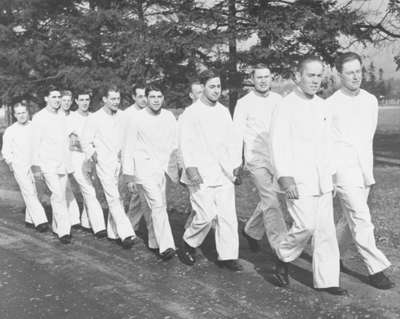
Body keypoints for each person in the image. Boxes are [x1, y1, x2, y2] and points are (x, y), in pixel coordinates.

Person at [271, 56, 347, 295]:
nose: (316, 80)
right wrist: (285, 177)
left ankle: (328, 280)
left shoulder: (323, 106)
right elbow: (278, 144)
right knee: (305, 225)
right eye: (310, 75)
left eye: (319, 76)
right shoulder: (285, 105)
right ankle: (282, 258)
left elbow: (328, 144)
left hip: (322, 179)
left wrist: (332, 175)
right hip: (297, 180)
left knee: (325, 231)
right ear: (298, 76)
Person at [329, 52, 394, 290]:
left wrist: (367, 170)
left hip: (364, 168)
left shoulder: (370, 100)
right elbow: (328, 143)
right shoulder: (331, 104)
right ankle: (375, 269)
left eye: (358, 71)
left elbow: (367, 137)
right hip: (343, 170)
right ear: (339, 74)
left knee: (348, 220)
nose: (356, 76)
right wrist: (333, 174)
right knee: (361, 218)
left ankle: (330, 256)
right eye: (350, 72)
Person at [179, 69, 243, 271]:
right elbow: (184, 143)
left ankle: (228, 255)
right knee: (205, 215)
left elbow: (232, 141)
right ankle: (188, 243)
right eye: (212, 86)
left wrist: (235, 166)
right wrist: (190, 168)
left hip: (223, 172)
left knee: (227, 216)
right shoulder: (191, 113)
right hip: (200, 173)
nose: (217, 90)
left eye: (219, 86)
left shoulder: (223, 111)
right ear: (203, 88)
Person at [233, 63, 287, 253]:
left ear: (271, 78)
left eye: (266, 77)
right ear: (252, 80)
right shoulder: (244, 103)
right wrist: (236, 162)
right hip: (256, 160)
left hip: (277, 158)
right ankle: (281, 248)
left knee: (269, 198)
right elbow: (236, 134)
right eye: (259, 77)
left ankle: (251, 230)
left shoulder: (279, 100)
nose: (263, 81)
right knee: (271, 200)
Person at [123, 85, 179, 261]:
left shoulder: (169, 116)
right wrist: (129, 175)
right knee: (157, 204)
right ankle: (167, 246)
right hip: (143, 168)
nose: (156, 100)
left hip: (163, 169)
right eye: (152, 96)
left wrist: (178, 166)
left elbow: (175, 142)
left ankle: (154, 241)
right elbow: (128, 147)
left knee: (152, 206)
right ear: (146, 98)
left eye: (159, 96)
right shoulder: (137, 118)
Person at [81, 85, 136, 249]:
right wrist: (94, 154)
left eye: (118, 99)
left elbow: (129, 137)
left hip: (122, 162)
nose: (116, 102)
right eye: (112, 99)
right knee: (112, 197)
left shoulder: (124, 116)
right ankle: (127, 233)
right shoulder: (94, 118)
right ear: (104, 99)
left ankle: (113, 232)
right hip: (104, 162)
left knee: (120, 197)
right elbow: (85, 141)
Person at [31, 86, 73, 244]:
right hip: (47, 163)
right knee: (58, 195)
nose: (57, 100)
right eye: (54, 97)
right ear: (46, 99)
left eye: (58, 97)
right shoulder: (38, 117)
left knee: (60, 195)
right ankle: (64, 231)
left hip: (62, 163)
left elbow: (65, 141)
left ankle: (57, 226)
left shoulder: (62, 116)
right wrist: (36, 167)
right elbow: (34, 144)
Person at [2, 102, 49, 232]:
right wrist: (11, 163)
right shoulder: (10, 131)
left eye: (23, 112)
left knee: (38, 191)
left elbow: (42, 145)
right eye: (18, 113)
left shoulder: (35, 127)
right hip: (20, 166)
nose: (21, 115)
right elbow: (6, 151)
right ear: (14, 115)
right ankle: (41, 221)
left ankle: (30, 219)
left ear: (28, 113)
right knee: (28, 191)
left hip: (36, 164)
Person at [67, 90, 107, 238]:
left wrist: (92, 147)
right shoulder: (71, 118)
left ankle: (85, 221)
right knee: (89, 190)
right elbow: (73, 143)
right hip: (77, 159)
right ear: (76, 101)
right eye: (81, 100)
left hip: (93, 159)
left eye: (87, 100)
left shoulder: (93, 117)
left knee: (91, 190)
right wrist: (88, 145)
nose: (84, 103)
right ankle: (99, 227)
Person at [122, 83, 150, 233]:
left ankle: (143, 226)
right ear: (133, 97)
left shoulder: (150, 112)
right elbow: (124, 141)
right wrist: (128, 170)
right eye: (140, 96)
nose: (144, 99)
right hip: (132, 160)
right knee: (136, 197)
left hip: (149, 162)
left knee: (146, 197)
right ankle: (129, 228)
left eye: (146, 96)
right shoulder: (127, 114)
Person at [179, 81, 204, 228]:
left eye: (203, 91)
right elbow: (181, 145)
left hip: (210, 167)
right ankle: (191, 240)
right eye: (198, 93)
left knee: (202, 207)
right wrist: (183, 168)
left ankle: (191, 236)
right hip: (192, 168)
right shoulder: (186, 115)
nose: (202, 95)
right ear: (191, 95)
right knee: (200, 206)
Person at [60, 90, 83, 229]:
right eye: (64, 100)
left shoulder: (74, 116)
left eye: (69, 100)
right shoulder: (56, 116)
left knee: (78, 185)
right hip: (60, 156)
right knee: (64, 187)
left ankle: (75, 218)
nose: (67, 103)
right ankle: (71, 219)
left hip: (74, 154)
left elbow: (77, 134)